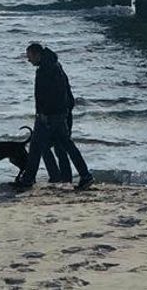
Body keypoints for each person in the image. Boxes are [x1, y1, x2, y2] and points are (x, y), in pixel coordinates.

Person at [18, 43, 94, 191]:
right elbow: (64, 90)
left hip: (50, 115)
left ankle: (28, 179)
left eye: (30, 57)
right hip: (59, 113)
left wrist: (45, 113)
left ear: (37, 54)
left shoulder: (48, 69)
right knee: (66, 145)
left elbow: (52, 94)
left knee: (36, 146)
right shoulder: (53, 65)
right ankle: (85, 175)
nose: (29, 60)